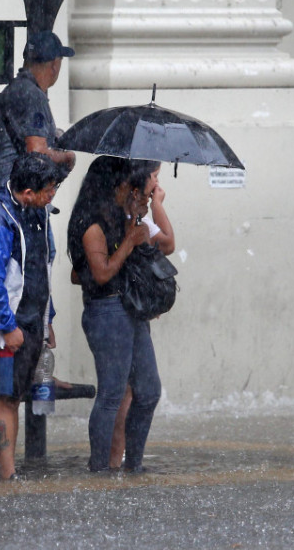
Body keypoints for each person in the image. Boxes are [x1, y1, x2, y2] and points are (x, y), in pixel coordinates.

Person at [0, 153, 62, 481]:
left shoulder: (36, 212)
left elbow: (41, 265)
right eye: (49, 190)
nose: (52, 196)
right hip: (7, 327)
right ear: (28, 192)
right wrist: (7, 325)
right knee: (4, 397)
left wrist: (48, 317)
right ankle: (6, 475)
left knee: (16, 397)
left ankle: (10, 472)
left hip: (32, 319)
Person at [66, 157, 162, 474]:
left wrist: (135, 223)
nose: (129, 190)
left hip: (130, 309)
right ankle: (100, 469)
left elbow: (82, 273)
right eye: (125, 186)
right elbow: (101, 273)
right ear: (112, 186)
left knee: (148, 391)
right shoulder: (91, 224)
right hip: (106, 311)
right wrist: (128, 243)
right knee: (112, 394)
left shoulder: (116, 217)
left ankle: (133, 464)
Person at [106, 161, 175, 470]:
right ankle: (109, 465)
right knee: (121, 394)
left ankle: (128, 464)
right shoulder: (113, 217)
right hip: (116, 311)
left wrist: (154, 204)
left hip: (136, 312)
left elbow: (166, 244)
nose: (155, 186)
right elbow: (168, 243)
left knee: (140, 392)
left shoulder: (139, 215)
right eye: (153, 178)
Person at [0, 31, 77, 203]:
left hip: (3, 194)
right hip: (12, 200)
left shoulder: (18, 89)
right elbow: (37, 152)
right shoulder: (30, 95)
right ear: (55, 64)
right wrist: (67, 157)